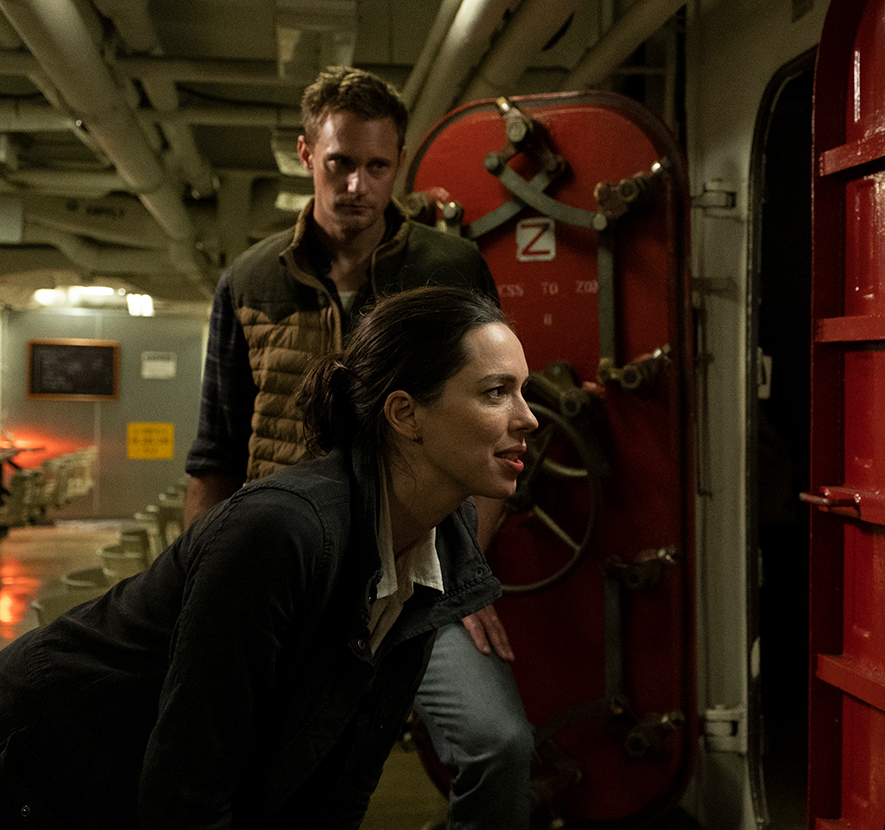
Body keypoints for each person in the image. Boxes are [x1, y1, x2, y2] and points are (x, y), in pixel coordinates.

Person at [0, 286, 539, 827]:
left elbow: (347, 769)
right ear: (405, 414)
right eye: (496, 392)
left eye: (523, 391)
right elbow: (188, 789)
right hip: (42, 762)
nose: (528, 419)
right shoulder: (281, 530)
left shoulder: (442, 535)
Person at [183, 66, 534, 829]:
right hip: (289, 573)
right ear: (307, 154)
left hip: (421, 565)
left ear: (398, 164)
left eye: (377, 166)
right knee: (276, 777)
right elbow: (214, 456)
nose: (357, 186)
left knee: (499, 746)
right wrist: (196, 591)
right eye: (340, 163)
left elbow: (493, 419)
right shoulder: (247, 282)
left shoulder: (447, 270)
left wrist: (464, 572)